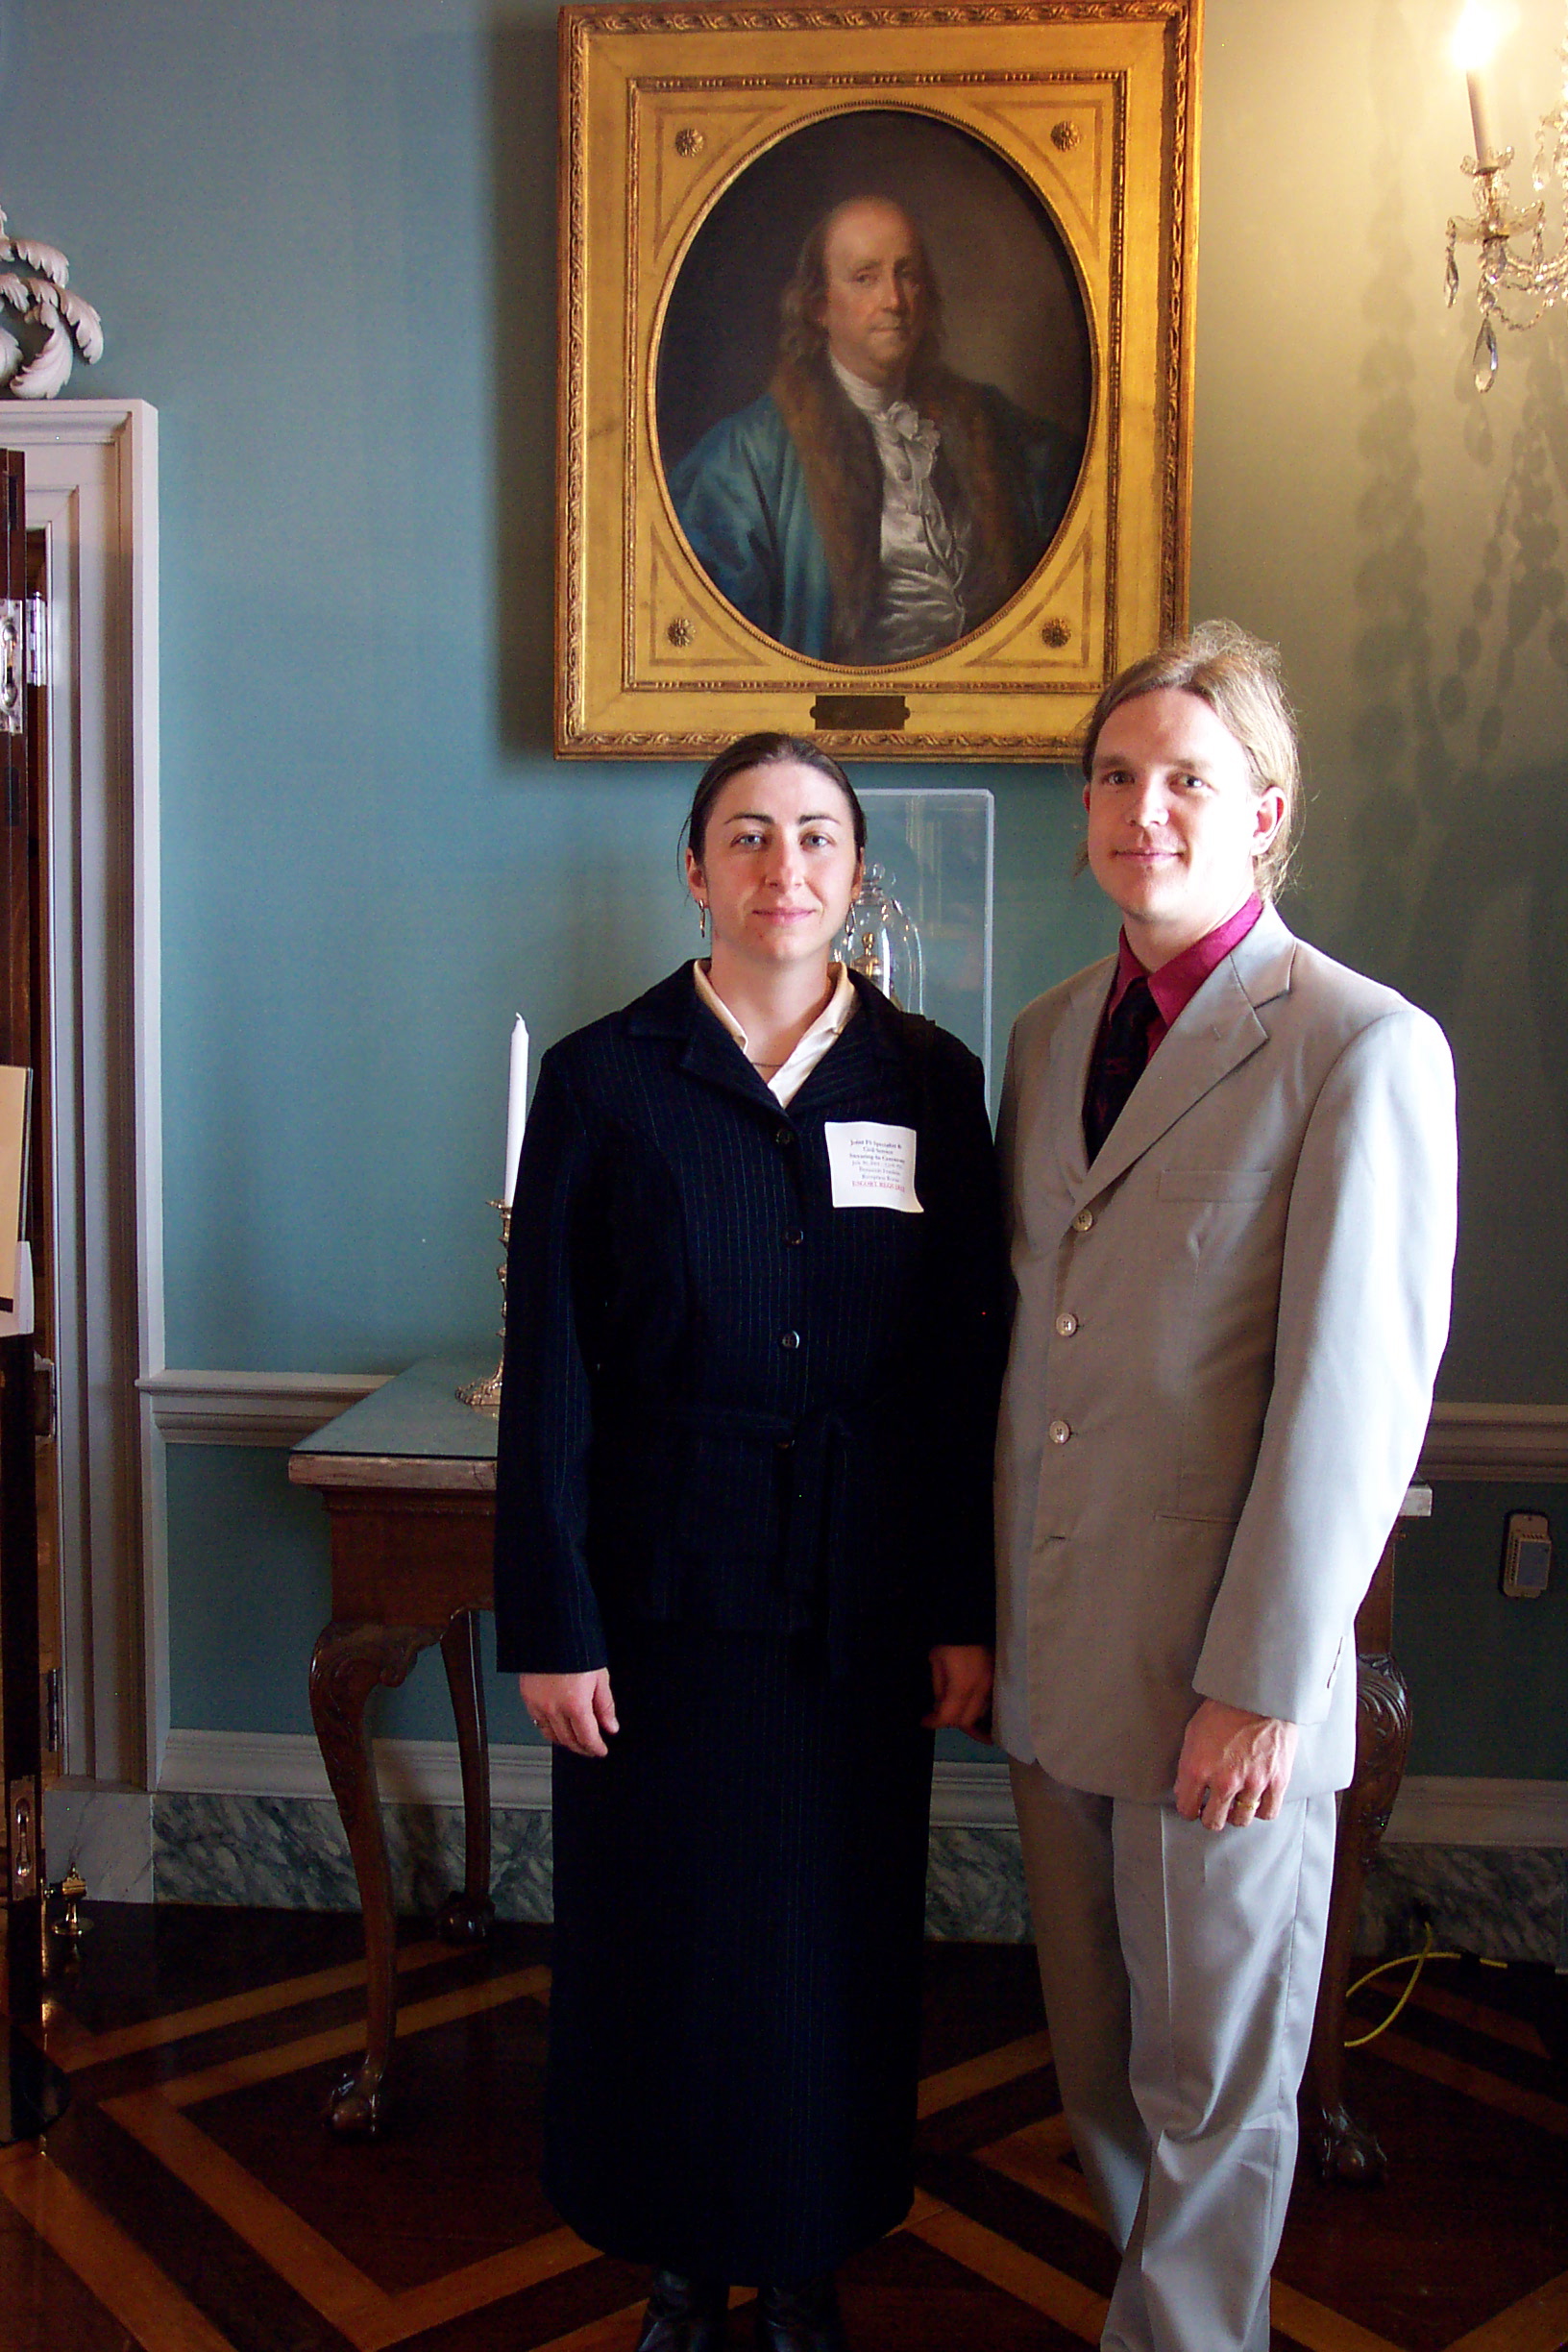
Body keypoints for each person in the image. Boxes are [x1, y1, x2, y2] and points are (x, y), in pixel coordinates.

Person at [493, 732, 1006, 2352]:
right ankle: (673, 2260)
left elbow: (957, 1366)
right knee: (668, 1938)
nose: (784, 865)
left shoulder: (928, 1080)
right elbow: (553, 1368)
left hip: (857, 1600)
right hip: (659, 1599)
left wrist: (957, 1605)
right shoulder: (604, 1076)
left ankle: (802, 2256)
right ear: (697, 868)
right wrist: (552, 1620)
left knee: (832, 1941)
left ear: (855, 874)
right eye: (747, 834)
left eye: (815, 837)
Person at [993, 623, 1458, 2352]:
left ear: (1263, 811)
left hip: (1217, 1690)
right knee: (1103, 2072)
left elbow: (1352, 1400)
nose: (1145, 808)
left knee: (1216, 2090)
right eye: (1116, 777)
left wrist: (1261, 1685)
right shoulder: (1046, 1036)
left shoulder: (1357, 1045)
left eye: (1186, 777)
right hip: (1057, 1671)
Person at [666, 196, 1081, 664]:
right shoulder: (747, 456)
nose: (894, 301)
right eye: (866, 278)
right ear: (820, 307)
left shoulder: (990, 424)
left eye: (906, 274)